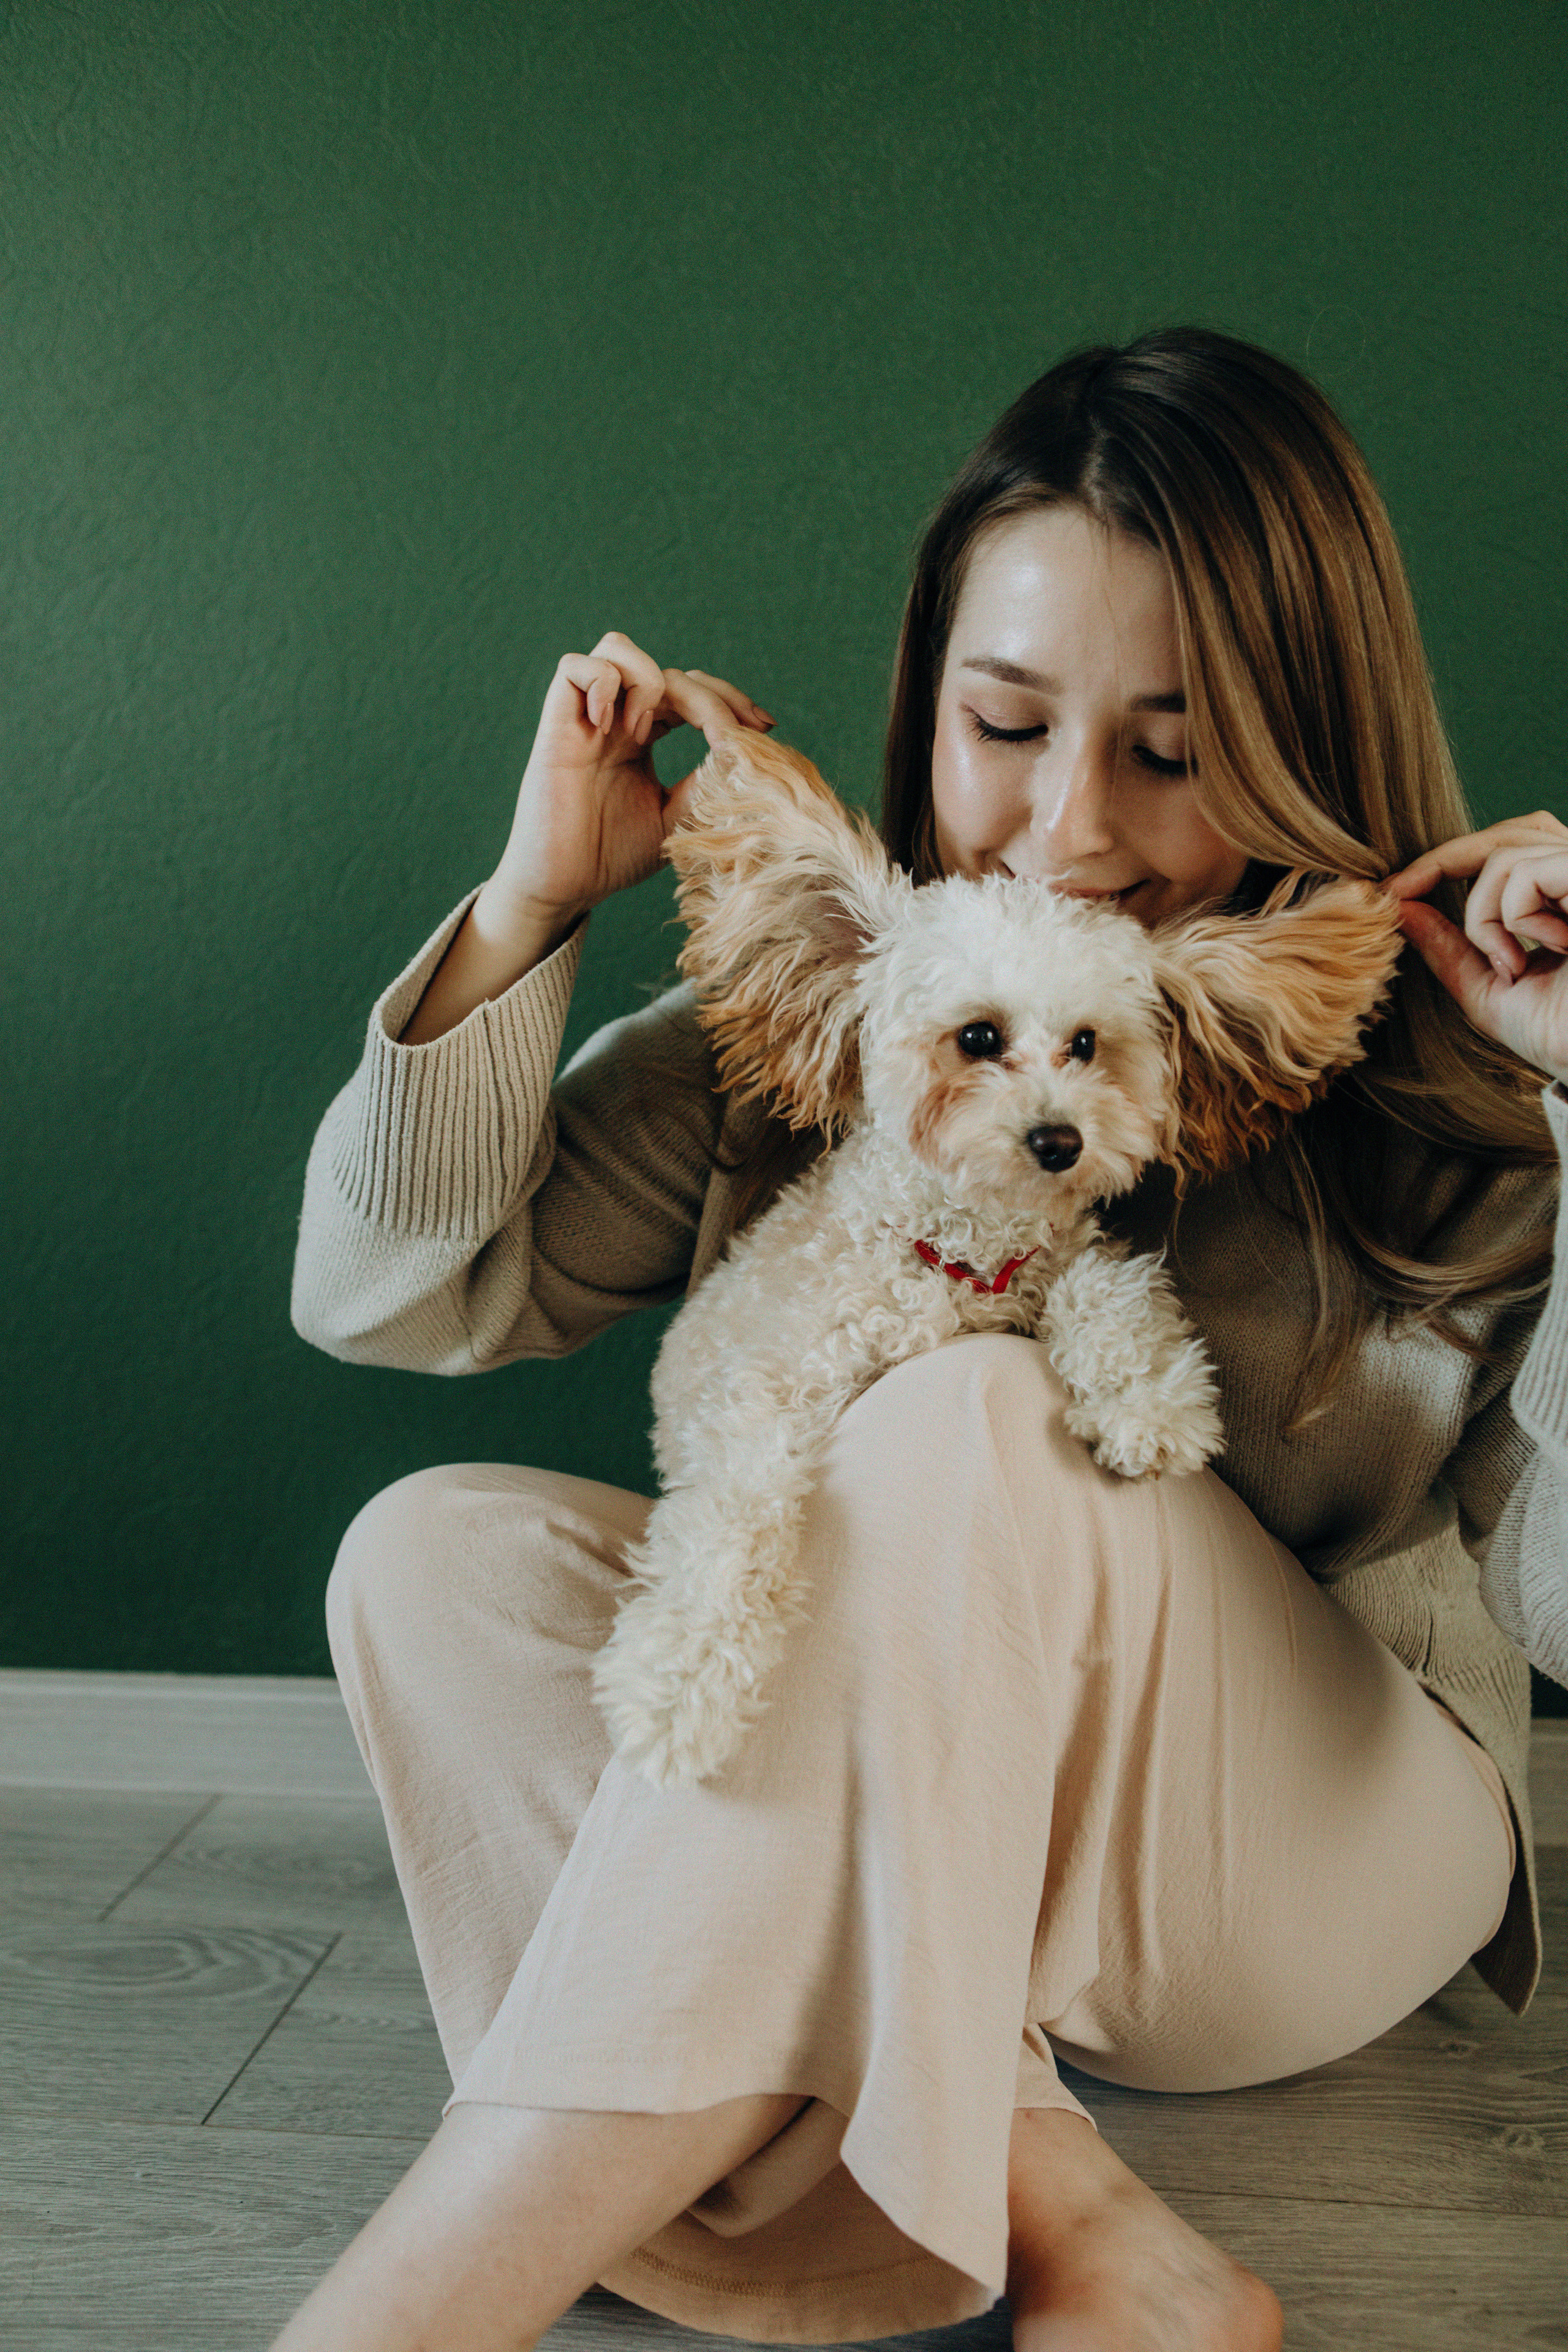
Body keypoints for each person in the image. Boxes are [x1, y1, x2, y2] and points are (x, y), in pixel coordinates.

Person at [277, 328, 1568, 2352]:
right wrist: (536, 901)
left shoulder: (1458, 1077)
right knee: (428, 1558)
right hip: (952, 1848)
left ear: (1301, 731)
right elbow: (386, 1295)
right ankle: (1088, 2225)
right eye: (1004, 723)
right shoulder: (831, 1027)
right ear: (927, 706)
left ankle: (416, 2304)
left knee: (974, 1404)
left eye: (1165, 748)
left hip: (1295, 1853)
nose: (1062, 830)